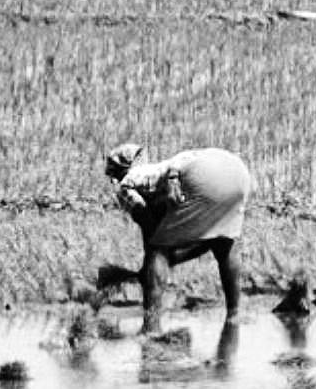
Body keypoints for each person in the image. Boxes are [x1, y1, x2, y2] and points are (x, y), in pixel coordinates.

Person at [103, 143, 250, 334]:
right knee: (224, 242)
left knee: (157, 251)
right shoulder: (161, 172)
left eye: (113, 177)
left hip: (202, 176)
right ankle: (234, 314)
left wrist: (152, 268)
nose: (113, 182)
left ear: (119, 173)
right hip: (236, 172)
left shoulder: (129, 182)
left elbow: (150, 230)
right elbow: (204, 241)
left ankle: (151, 327)